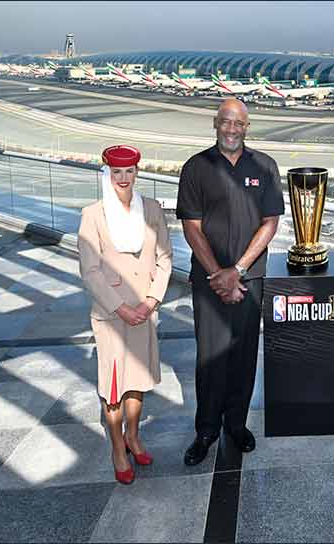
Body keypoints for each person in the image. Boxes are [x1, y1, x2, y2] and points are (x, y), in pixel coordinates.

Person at [176, 98, 284, 466]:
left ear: (247, 127)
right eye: (226, 122)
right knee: (210, 357)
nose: (232, 129)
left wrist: (237, 270)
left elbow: (270, 223)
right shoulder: (196, 167)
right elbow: (191, 227)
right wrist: (218, 275)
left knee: (243, 354)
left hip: (249, 279)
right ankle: (206, 430)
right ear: (215, 123)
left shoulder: (265, 166)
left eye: (239, 123)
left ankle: (236, 424)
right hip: (209, 281)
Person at [78, 145, 173, 484]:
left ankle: (133, 436)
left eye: (129, 171)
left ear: (137, 172)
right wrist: (121, 307)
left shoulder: (152, 209)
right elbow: (90, 270)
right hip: (112, 316)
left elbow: (164, 259)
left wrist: (151, 301)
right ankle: (118, 447)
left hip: (144, 311)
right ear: (108, 173)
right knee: (115, 387)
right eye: (116, 172)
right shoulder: (93, 215)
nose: (123, 178)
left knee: (138, 382)